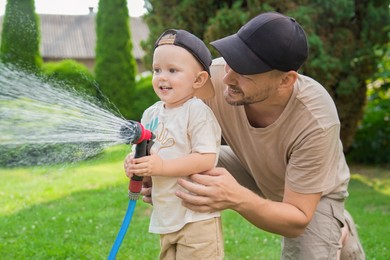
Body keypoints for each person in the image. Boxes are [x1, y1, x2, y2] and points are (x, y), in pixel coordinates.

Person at [135, 12, 366, 259]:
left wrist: (235, 197)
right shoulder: (209, 77)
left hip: (311, 196)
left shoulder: (316, 120)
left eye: (245, 70)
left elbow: (297, 220)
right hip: (247, 162)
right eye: (232, 59)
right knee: (188, 157)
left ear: (286, 80)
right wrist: (158, 171)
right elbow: (169, 125)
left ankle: (336, 226)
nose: (227, 77)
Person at [124, 29, 223, 259]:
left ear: (198, 79)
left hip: (197, 218)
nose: (162, 77)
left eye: (173, 70)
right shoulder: (150, 114)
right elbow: (145, 156)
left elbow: (206, 158)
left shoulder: (196, 111)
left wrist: (161, 168)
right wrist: (134, 165)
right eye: (157, 70)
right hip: (166, 216)